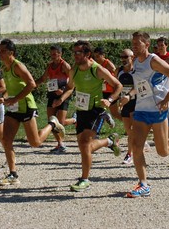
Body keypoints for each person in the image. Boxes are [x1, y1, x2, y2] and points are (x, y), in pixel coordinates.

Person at [127, 31, 169, 198]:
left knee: (163, 152)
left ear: (147, 44)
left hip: (158, 111)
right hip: (142, 110)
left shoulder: (154, 61)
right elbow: (141, 85)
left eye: (137, 43)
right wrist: (130, 96)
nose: (134, 46)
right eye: (133, 43)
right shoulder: (136, 61)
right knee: (136, 147)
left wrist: (166, 100)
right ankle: (143, 184)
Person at [0, 39, 66, 186]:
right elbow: (10, 89)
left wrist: (15, 99)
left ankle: (52, 124)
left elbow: (32, 84)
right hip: (13, 108)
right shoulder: (5, 68)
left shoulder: (18, 66)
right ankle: (13, 174)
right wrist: (4, 98)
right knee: (6, 141)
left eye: (2, 51)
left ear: (10, 52)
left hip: (26, 106)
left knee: (35, 142)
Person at [54, 40, 122, 192]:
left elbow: (118, 85)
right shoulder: (74, 70)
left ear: (87, 54)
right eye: (74, 52)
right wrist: (61, 99)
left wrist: (110, 100)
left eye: (78, 52)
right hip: (81, 110)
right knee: (85, 147)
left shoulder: (97, 69)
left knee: (85, 143)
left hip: (96, 110)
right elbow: (70, 87)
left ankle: (84, 179)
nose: (75, 55)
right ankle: (109, 141)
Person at [35, 45, 74, 153]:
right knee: (51, 121)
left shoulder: (65, 65)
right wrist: (32, 84)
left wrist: (63, 91)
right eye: (51, 54)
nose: (52, 56)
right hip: (52, 94)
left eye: (54, 54)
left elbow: (72, 81)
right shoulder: (50, 66)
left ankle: (74, 120)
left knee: (60, 122)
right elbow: (43, 78)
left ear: (60, 54)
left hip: (63, 95)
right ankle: (60, 144)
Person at [116, 48, 136, 165]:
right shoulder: (119, 71)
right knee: (128, 130)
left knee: (133, 130)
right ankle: (138, 144)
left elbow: (140, 85)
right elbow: (117, 85)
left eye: (126, 57)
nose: (123, 59)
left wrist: (129, 95)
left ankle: (130, 154)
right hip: (125, 103)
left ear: (132, 57)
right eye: (121, 57)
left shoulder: (137, 70)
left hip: (136, 102)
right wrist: (118, 99)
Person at [93, 46, 119, 121]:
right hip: (100, 90)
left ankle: (129, 125)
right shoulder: (95, 64)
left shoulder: (108, 64)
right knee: (97, 109)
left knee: (115, 113)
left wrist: (107, 79)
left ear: (103, 55)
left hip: (110, 91)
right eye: (95, 57)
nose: (96, 59)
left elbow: (116, 75)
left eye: (98, 56)